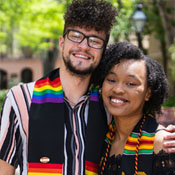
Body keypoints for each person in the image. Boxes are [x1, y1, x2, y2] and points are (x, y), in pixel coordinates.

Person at [0, 0, 175, 175]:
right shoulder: (21, 100)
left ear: (103, 50)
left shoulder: (108, 105)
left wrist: (163, 136)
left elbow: (138, 124)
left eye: (95, 41)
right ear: (62, 42)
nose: (84, 46)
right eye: (75, 36)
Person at [98, 42, 175, 175]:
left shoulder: (161, 143)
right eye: (111, 80)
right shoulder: (102, 139)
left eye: (131, 83)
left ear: (148, 93)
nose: (117, 89)